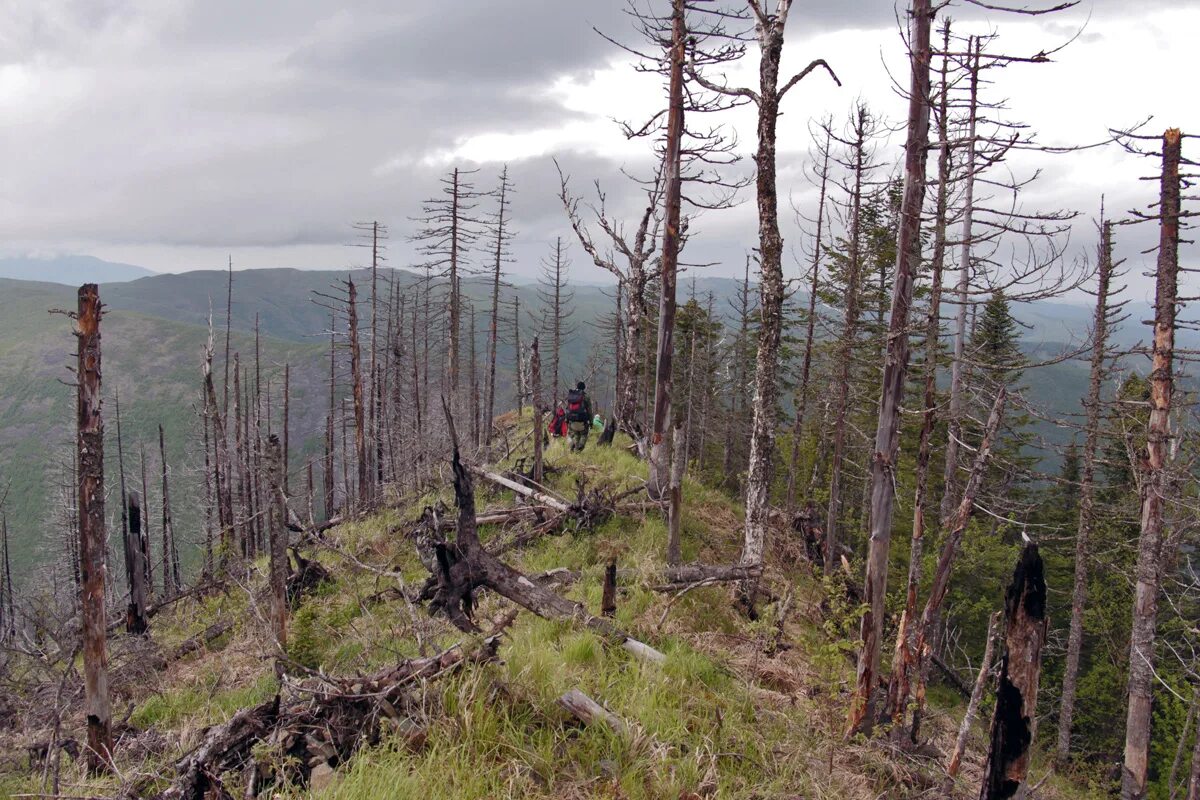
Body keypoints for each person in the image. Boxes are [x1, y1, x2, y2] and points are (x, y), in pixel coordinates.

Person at [564, 381, 593, 452]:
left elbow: (568, 408)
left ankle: (573, 446)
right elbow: (589, 411)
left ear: (577, 387)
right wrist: (591, 422)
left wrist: (566, 419)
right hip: (582, 421)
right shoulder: (586, 397)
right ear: (584, 388)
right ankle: (580, 446)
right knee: (584, 434)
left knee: (575, 435)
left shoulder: (571, 395)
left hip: (572, 420)